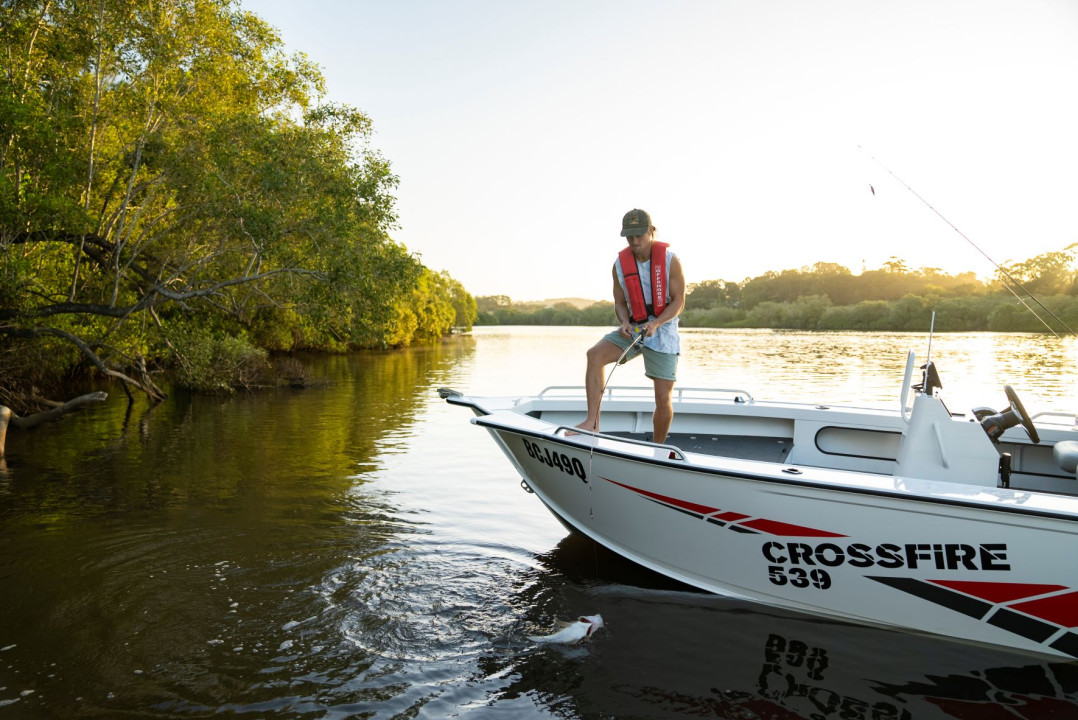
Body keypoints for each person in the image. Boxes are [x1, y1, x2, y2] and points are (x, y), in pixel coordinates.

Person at [575, 208, 685, 443]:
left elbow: (679, 302)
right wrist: (624, 322)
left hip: (663, 330)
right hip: (634, 327)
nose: (634, 242)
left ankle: (658, 448)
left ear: (651, 231)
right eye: (629, 237)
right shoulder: (619, 265)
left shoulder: (670, 260)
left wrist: (656, 323)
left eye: (639, 236)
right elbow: (619, 302)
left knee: (663, 397)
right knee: (594, 355)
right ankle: (592, 423)